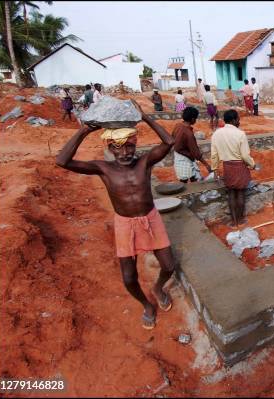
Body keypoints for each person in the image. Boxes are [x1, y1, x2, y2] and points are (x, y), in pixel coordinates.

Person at [55, 100, 176, 330]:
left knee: (169, 266)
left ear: (135, 145)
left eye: (129, 146)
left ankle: (158, 288)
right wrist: (84, 130)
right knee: (129, 278)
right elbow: (62, 161)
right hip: (124, 224)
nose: (125, 152)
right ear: (110, 148)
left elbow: (169, 142)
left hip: (150, 219)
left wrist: (146, 118)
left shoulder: (144, 163)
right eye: (117, 147)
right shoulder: (103, 169)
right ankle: (146, 305)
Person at [210, 109, 258, 227]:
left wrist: (215, 170)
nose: (239, 122)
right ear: (234, 120)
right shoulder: (240, 134)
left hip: (227, 166)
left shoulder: (216, 134)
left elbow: (214, 155)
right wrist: (253, 165)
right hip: (240, 166)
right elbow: (245, 155)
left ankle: (234, 221)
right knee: (240, 193)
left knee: (231, 193)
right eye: (238, 119)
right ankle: (241, 219)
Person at [172, 107, 212, 183]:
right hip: (185, 157)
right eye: (196, 118)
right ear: (193, 119)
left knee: (187, 177)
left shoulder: (178, 125)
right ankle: (193, 192)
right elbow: (195, 152)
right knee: (189, 178)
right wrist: (206, 164)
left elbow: (172, 137)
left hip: (178, 154)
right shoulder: (188, 133)